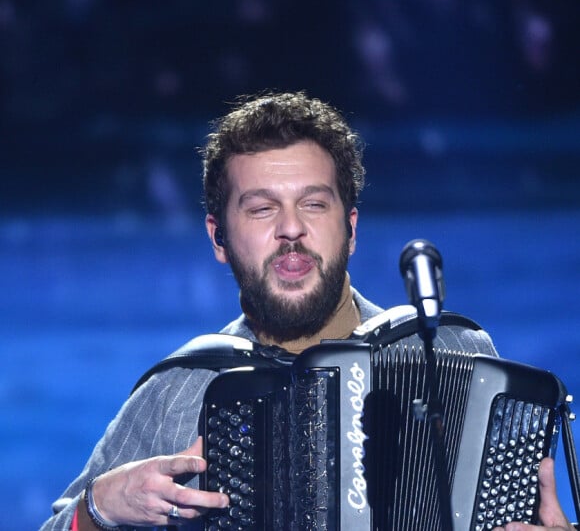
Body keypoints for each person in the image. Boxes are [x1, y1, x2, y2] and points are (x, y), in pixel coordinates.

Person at [41, 91, 575, 531]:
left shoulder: (455, 355)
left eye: (314, 204)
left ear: (352, 228)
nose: (291, 229)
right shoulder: (177, 391)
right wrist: (97, 510)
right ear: (218, 237)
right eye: (262, 208)